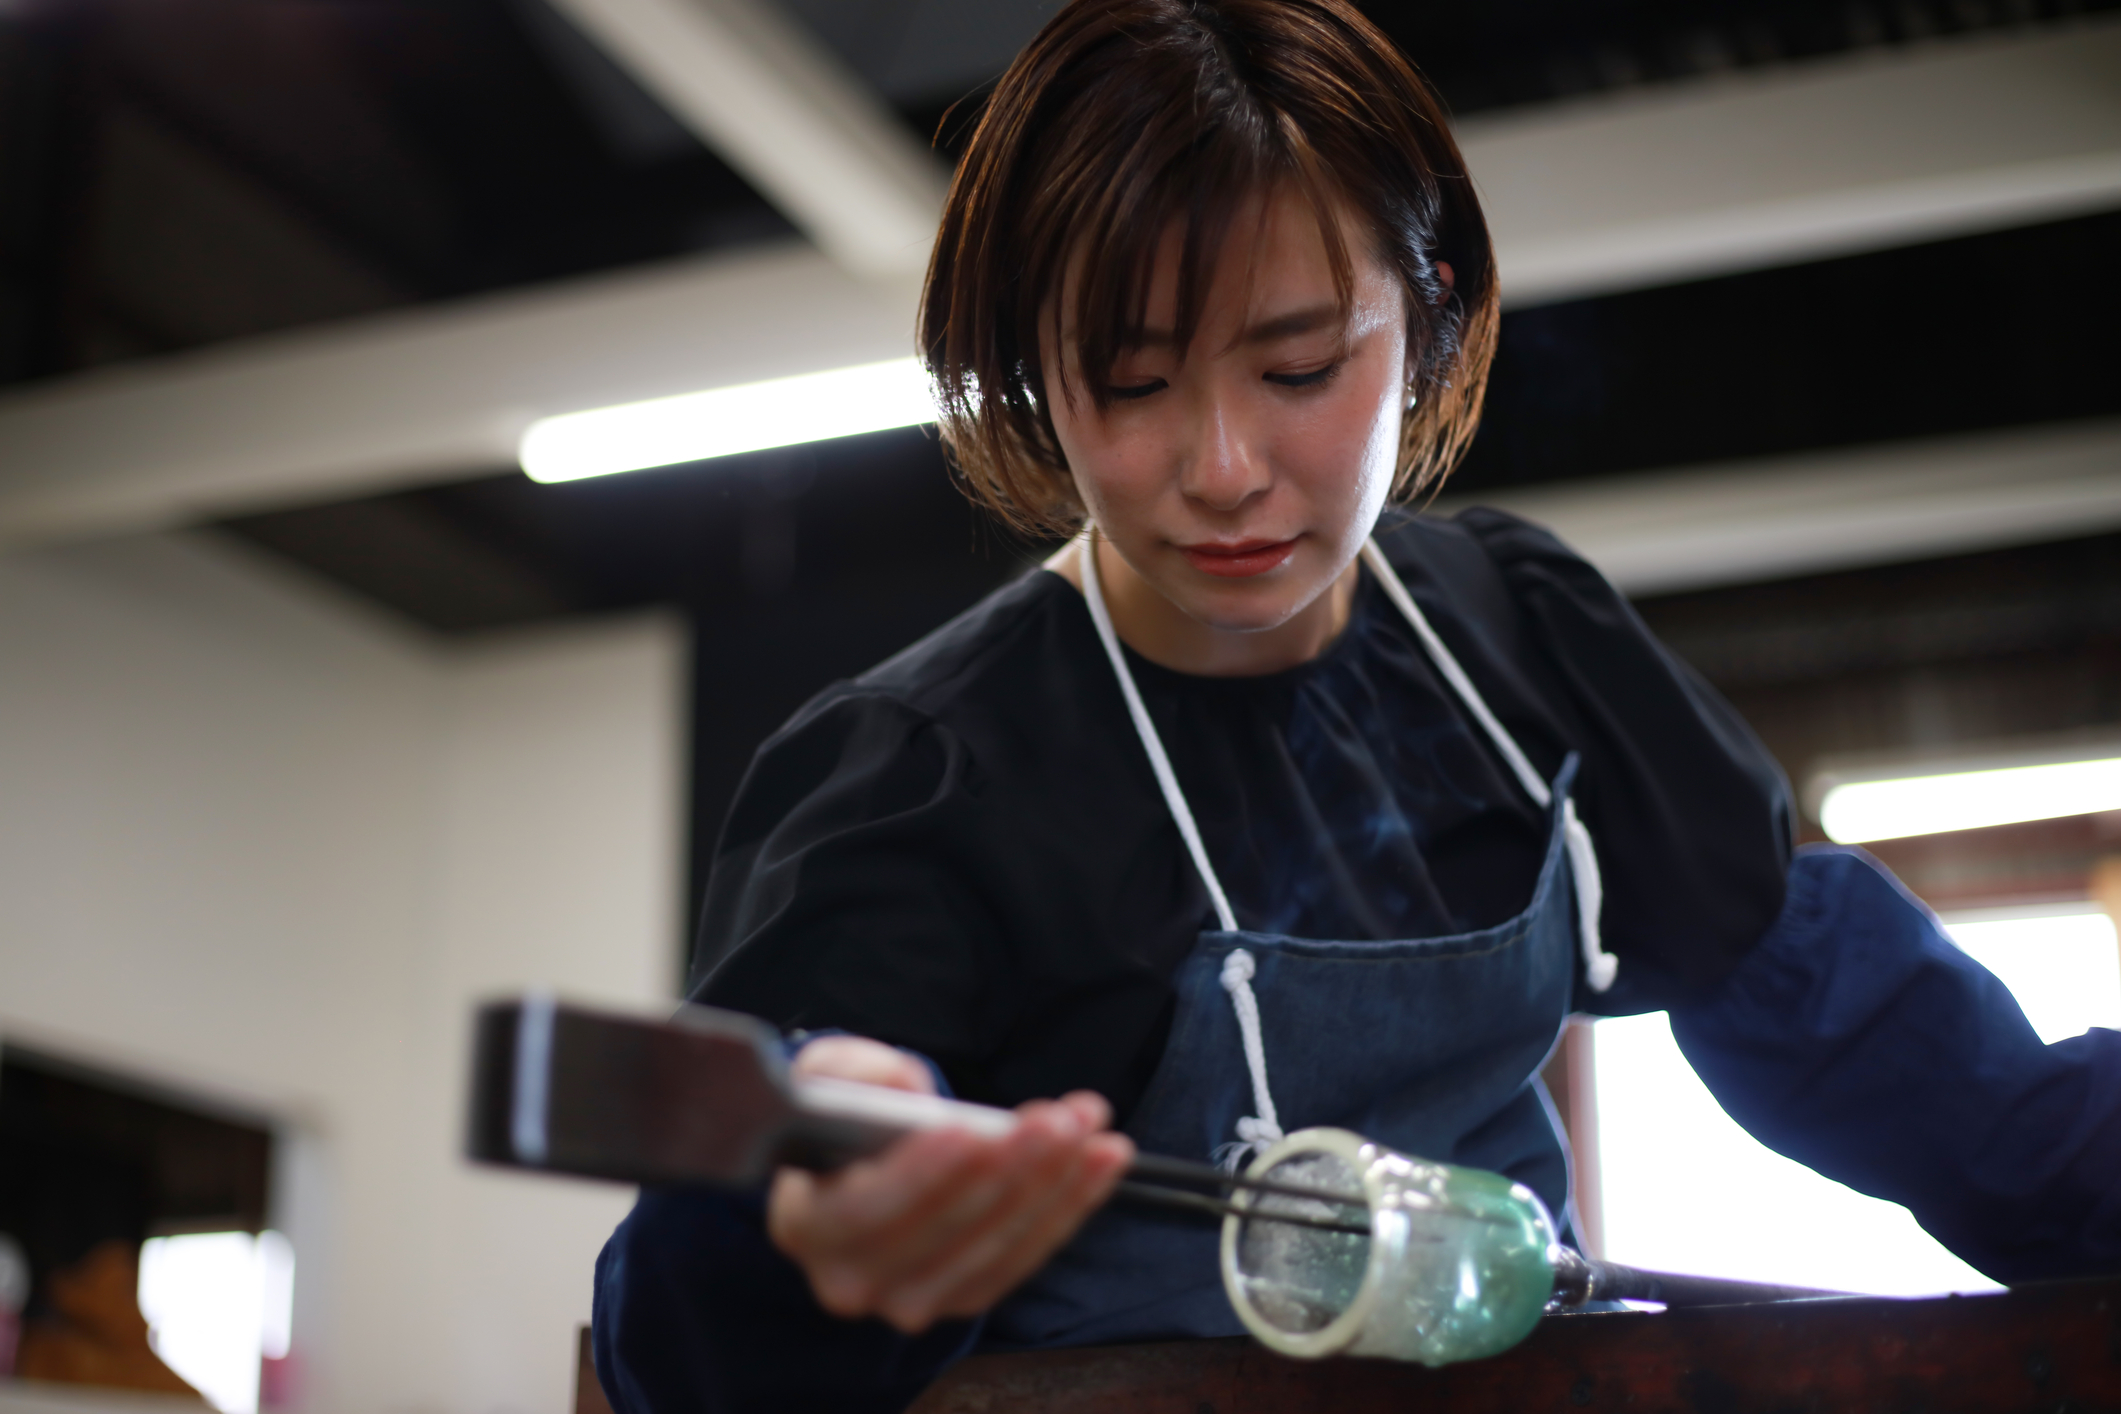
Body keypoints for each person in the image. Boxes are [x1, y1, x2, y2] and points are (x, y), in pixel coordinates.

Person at [593, 2, 2121, 1409]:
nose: (1223, 465)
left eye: (1300, 364)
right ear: (1031, 378)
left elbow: (1874, 1036)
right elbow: (682, 1349)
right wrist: (804, 1229)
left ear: (1427, 312)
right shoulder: (921, 778)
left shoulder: (1515, 639)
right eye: (1127, 383)